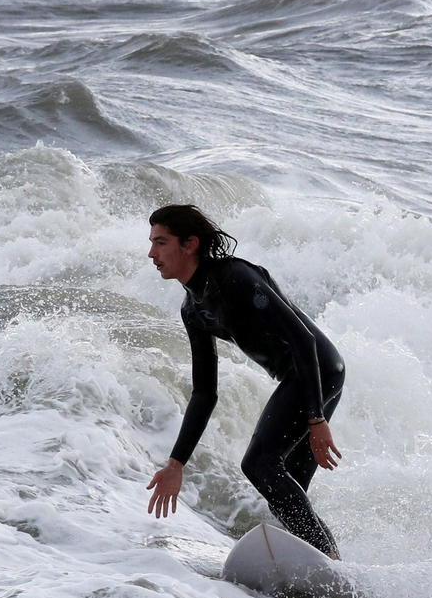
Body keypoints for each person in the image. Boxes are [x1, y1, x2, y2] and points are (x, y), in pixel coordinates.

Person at [144, 204, 347, 559]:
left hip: (316, 369)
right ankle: (328, 565)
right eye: (152, 244)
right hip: (304, 377)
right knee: (287, 491)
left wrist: (316, 420)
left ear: (189, 244)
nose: (152, 253)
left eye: (161, 243)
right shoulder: (193, 309)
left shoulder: (235, 277)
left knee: (259, 465)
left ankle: (328, 560)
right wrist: (176, 464)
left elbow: (303, 340)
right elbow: (205, 392)